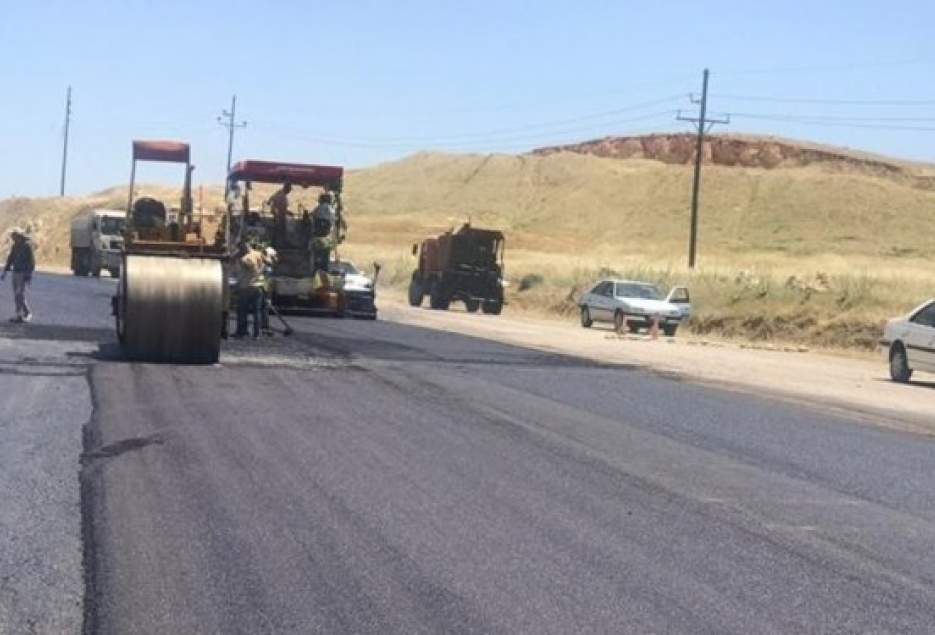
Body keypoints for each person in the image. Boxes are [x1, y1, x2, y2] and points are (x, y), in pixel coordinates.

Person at [1, 228, 35, 323]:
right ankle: (26, 312)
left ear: (19, 236)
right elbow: (10, 258)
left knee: (19, 294)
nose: (12, 238)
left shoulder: (27, 246)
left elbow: (31, 262)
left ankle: (19, 315)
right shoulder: (15, 245)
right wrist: (5, 272)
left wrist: (28, 275)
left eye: (14, 236)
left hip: (22, 273)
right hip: (15, 272)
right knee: (18, 294)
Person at [234, 241, 267, 338]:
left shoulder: (245, 258)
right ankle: (256, 334)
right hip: (258, 286)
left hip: (246, 287)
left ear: (242, 248)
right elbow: (267, 262)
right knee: (257, 311)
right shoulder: (258, 254)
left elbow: (252, 268)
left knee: (242, 311)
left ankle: (241, 332)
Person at [311, 191, 336, 273]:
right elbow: (332, 222)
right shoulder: (331, 210)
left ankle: (314, 271)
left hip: (316, 236)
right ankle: (324, 272)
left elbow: (312, 216)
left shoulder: (319, 208)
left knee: (315, 256)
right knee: (324, 257)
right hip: (326, 237)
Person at [268, 183, 292, 247]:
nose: (289, 191)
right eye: (289, 190)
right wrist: (288, 212)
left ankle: (277, 244)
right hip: (279, 216)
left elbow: (270, 200)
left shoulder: (279, 193)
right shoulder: (281, 195)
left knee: (279, 230)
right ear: (286, 189)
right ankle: (277, 244)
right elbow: (282, 208)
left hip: (280, 215)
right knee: (279, 230)